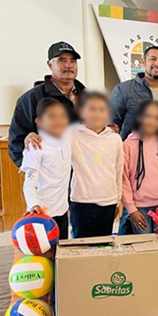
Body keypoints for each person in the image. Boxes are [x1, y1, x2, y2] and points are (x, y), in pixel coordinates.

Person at [9, 41, 85, 167]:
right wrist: (39, 172)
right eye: (62, 60)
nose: (68, 65)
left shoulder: (87, 97)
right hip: (51, 174)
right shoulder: (31, 99)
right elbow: (16, 144)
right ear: (50, 64)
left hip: (84, 172)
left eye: (73, 61)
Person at [69, 92, 124, 238]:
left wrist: (117, 200)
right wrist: (31, 135)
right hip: (81, 202)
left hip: (108, 202)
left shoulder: (115, 139)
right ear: (82, 112)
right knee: (81, 244)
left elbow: (118, 171)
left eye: (102, 109)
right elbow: (50, 137)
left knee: (103, 245)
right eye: (92, 109)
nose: (97, 114)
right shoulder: (72, 136)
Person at [122, 100, 158, 234]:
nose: (152, 121)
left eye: (157, 118)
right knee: (145, 245)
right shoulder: (128, 145)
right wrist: (132, 209)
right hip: (139, 208)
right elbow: (123, 180)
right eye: (148, 116)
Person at [20, 98, 71, 239]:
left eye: (62, 116)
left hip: (62, 211)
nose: (58, 120)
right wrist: (33, 204)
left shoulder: (67, 140)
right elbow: (29, 182)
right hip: (41, 213)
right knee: (43, 251)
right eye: (52, 116)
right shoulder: (35, 147)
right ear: (39, 121)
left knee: (61, 249)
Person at [111, 46, 158, 140]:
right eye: (153, 59)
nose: (157, 63)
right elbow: (112, 124)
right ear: (143, 62)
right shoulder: (123, 90)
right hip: (132, 147)